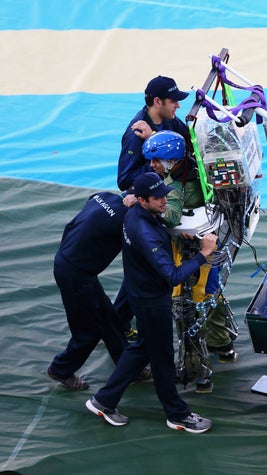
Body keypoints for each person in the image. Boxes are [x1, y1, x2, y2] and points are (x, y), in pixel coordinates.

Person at [85, 172, 216, 433]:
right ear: (142, 200)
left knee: (142, 348)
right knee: (163, 358)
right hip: (152, 300)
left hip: (139, 292)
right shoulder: (145, 231)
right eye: (158, 198)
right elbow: (173, 275)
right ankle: (177, 414)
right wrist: (204, 253)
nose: (164, 201)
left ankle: (104, 400)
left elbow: (157, 230)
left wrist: (179, 232)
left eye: (164, 195)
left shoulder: (136, 213)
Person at [142, 131, 238, 394]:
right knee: (212, 295)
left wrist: (142, 205)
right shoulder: (200, 167)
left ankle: (197, 374)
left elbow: (170, 216)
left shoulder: (176, 188)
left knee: (186, 312)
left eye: (156, 161)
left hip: (192, 259)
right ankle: (223, 345)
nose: (152, 166)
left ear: (172, 160)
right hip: (213, 251)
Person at [46, 192, 140, 390]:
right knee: (88, 330)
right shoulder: (127, 221)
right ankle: (60, 369)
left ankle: (129, 369)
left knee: (109, 319)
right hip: (76, 273)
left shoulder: (103, 196)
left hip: (71, 260)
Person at [117, 76, 190, 192]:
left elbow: (189, 141)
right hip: (156, 193)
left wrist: (154, 137)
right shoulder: (135, 135)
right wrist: (157, 162)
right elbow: (124, 181)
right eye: (173, 101)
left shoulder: (170, 118)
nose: (178, 105)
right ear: (157, 102)